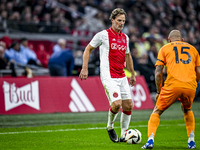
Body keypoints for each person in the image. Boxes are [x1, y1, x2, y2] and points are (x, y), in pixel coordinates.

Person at [79, 8, 136, 143]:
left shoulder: (125, 37)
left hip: (122, 76)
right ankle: (109, 126)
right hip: (108, 75)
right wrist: (84, 68)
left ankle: (124, 135)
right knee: (117, 104)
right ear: (112, 20)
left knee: (128, 106)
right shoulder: (102, 35)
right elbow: (88, 49)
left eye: (123, 21)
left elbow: (128, 55)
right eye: (119, 20)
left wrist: (132, 73)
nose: (121, 23)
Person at [141, 30, 200, 149]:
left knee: (157, 111)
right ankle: (191, 141)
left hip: (172, 86)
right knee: (187, 109)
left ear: (169, 39)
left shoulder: (164, 48)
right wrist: (194, 83)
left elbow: (158, 73)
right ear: (182, 40)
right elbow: (198, 71)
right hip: (190, 86)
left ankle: (150, 140)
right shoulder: (193, 49)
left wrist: (158, 91)